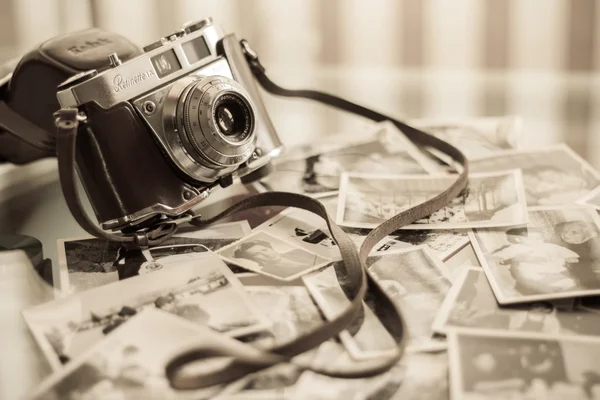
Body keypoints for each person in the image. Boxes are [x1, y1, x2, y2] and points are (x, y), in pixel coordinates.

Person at [492, 227, 580, 295]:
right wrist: (499, 257)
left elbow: (564, 251)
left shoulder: (549, 246)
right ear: (519, 239)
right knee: (536, 283)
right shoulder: (517, 248)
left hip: (554, 271)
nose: (536, 241)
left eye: (539, 238)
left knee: (568, 283)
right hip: (531, 272)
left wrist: (571, 257)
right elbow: (502, 254)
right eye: (531, 239)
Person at [232, 239, 319, 279]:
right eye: (257, 254)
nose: (266, 254)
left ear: (270, 247)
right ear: (253, 259)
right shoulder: (268, 274)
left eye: (264, 249)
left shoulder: (298, 251)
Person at [523, 165, 590, 205]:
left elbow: (582, 184)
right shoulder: (543, 187)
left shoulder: (570, 176)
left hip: (582, 195)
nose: (551, 178)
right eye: (546, 178)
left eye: (552, 174)